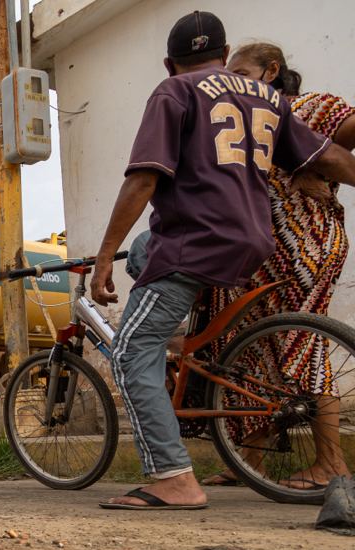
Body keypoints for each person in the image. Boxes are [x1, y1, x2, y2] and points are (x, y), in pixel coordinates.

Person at [89, 11, 355, 510]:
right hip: (253, 242)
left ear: (171, 63)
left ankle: (173, 477)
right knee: (145, 253)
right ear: (223, 52)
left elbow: (143, 179)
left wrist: (104, 257)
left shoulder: (175, 92)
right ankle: (179, 345)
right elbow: (328, 156)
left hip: (197, 240)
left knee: (130, 349)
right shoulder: (270, 99)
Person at [199, 42, 355, 489]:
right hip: (256, 254)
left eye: (242, 72)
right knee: (251, 352)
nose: (234, 82)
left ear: (271, 71)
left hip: (304, 246)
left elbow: (345, 131)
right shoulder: (245, 124)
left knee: (305, 342)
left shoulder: (305, 107)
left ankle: (331, 465)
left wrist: (317, 168)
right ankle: (249, 462)